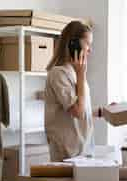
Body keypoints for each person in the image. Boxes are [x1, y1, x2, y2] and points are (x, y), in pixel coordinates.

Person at [45, 21, 104, 162]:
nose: (90, 50)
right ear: (74, 44)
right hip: (66, 154)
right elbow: (78, 112)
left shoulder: (74, 72)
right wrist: (82, 75)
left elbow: (81, 109)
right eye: (88, 44)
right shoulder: (58, 74)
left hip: (82, 150)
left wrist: (102, 112)